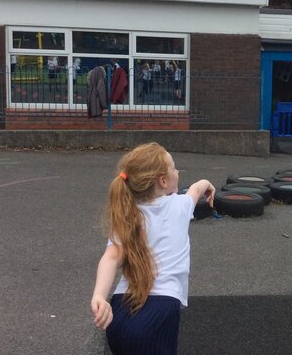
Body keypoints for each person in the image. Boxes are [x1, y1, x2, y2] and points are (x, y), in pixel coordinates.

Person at [91, 142, 215, 354]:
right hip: (160, 312)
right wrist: (208, 184)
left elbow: (111, 257)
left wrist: (99, 296)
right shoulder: (180, 205)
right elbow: (196, 188)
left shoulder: (127, 215)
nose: (178, 171)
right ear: (164, 181)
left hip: (121, 311)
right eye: (174, 168)